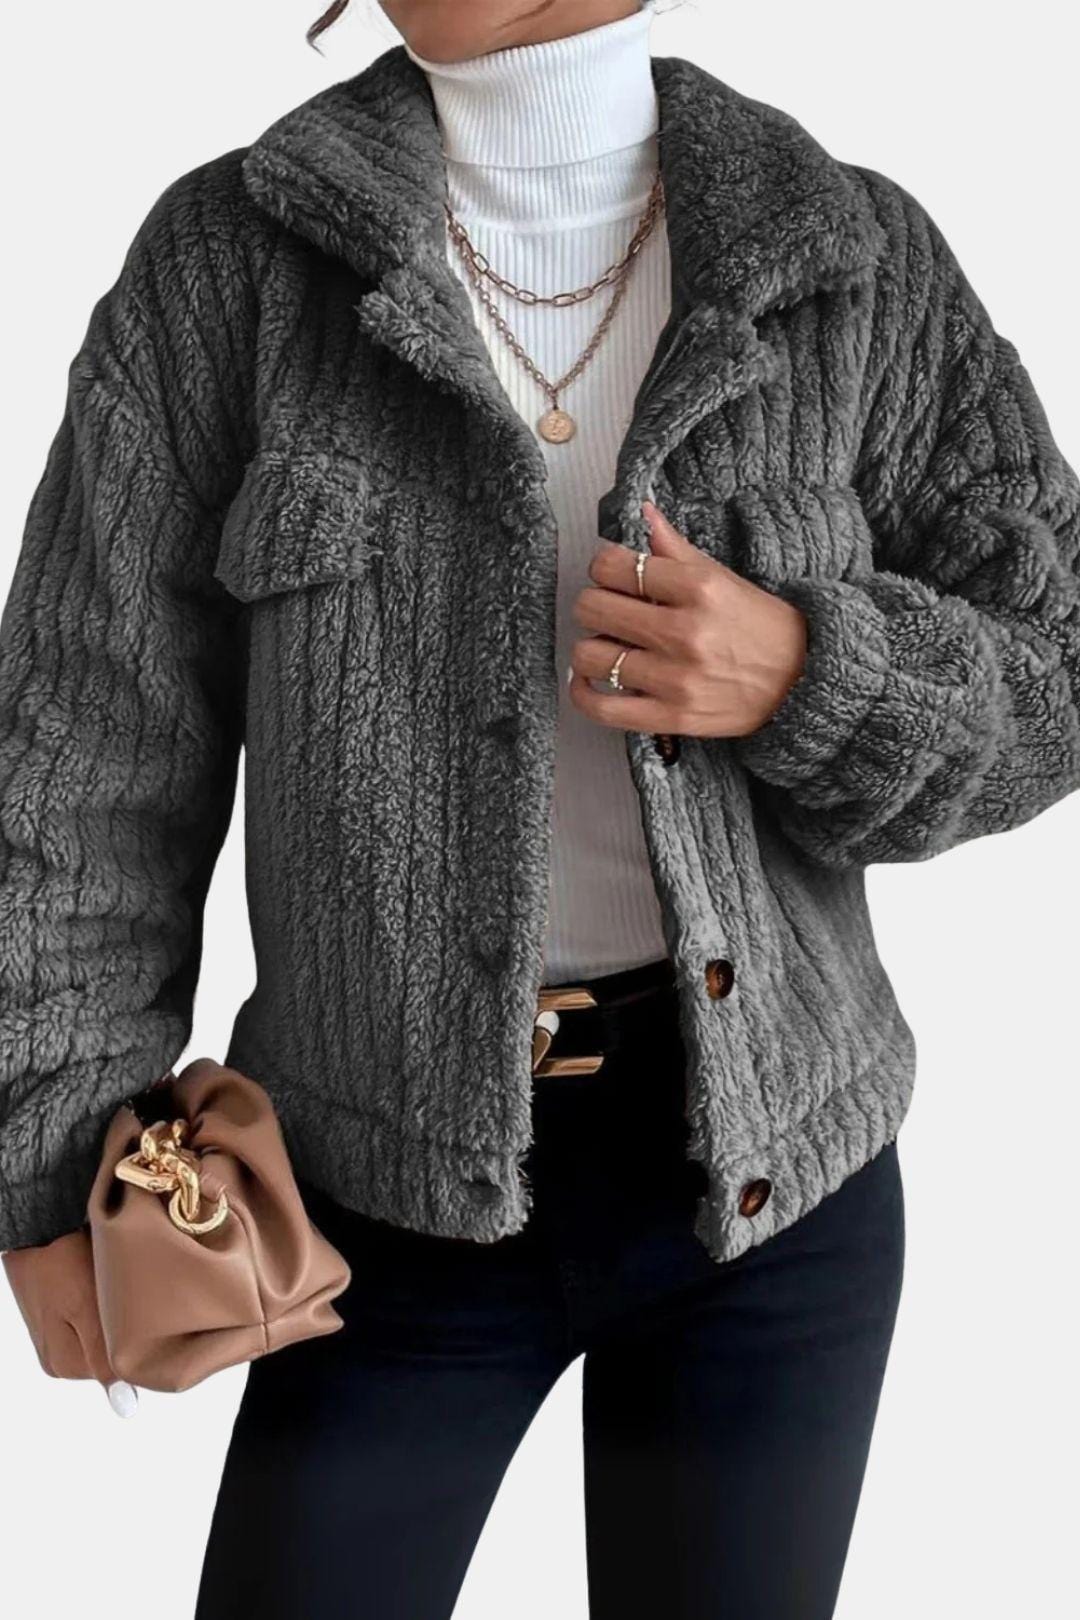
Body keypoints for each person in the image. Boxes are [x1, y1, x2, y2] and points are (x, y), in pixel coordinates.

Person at [1, 2, 1077, 1615]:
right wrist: (48, 1160)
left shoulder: (850, 259)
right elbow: (83, 757)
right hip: (369, 1197)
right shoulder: (229, 267)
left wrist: (814, 673)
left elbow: (1058, 667)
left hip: (773, 1195)